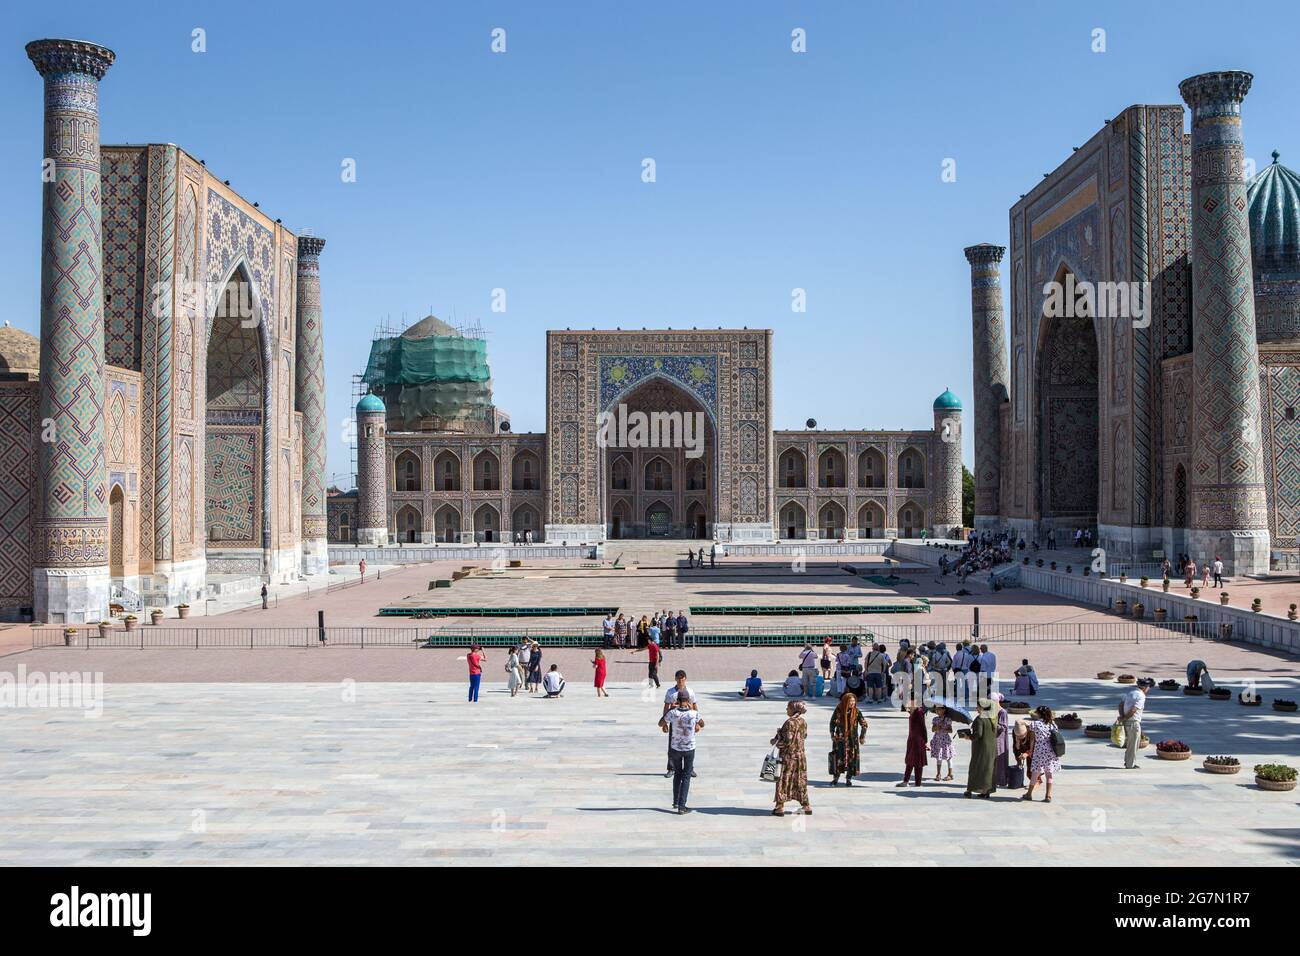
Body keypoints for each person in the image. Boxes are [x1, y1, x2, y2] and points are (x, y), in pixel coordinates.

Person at [660, 692, 704, 813]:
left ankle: (675, 801)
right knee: (686, 776)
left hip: (675, 748)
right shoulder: (694, 713)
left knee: (678, 774)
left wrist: (672, 708)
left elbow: (661, 723)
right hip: (689, 748)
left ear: (678, 700)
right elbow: (702, 723)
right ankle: (682, 806)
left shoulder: (673, 713)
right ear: (688, 700)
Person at [771, 701, 812, 816]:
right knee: (800, 780)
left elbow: (787, 741)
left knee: (783, 780)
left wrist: (777, 741)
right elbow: (804, 736)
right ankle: (806, 806)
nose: (786, 710)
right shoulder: (803, 721)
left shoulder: (789, 722)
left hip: (788, 757)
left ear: (793, 709)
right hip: (800, 756)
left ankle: (779, 807)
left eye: (788, 708)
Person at [663, 671, 698, 778]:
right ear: (675, 679)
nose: (680, 681)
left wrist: (697, 723)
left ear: (685, 679)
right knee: (672, 746)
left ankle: (689, 768)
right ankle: (671, 768)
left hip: (688, 723)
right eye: (678, 678)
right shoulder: (670, 692)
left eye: (682, 678)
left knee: (689, 746)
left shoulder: (690, 692)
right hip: (675, 723)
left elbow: (695, 707)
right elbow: (666, 707)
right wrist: (665, 723)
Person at [1022, 705, 1061, 803]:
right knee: (1049, 773)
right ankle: (1048, 795)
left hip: (1039, 750)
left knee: (1035, 772)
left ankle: (1029, 794)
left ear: (1039, 714)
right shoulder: (1053, 724)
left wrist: (1030, 749)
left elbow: (1032, 738)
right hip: (1051, 751)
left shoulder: (1035, 724)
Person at [829, 692, 868, 786]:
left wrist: (862, 736)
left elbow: (864, 724)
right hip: (840, 739)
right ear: (845, 701)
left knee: (851, 758)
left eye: (854, 701)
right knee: (838, 758)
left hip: (852, 740)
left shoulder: (857, 712)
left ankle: (848, 778)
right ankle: (836, 778)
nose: (852, 703)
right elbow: (832, 723)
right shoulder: (839, 710)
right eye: (850, 701)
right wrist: (832, 734)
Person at [965, 698, 997, 798]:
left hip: (981, 748)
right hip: (991, 748)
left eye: (978, 706)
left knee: (975, 768)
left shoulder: (980, 719)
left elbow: (978, 734)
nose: (976, 708)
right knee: (988, 769)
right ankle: (986, 791)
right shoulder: (992, 718)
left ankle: (970, 790)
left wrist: (969, 737)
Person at [1118, 678, 1152, 769]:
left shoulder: (1130, 693)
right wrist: (1125, 717)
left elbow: (1121, 705)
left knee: (1130, 743)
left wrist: (1122, 717)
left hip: (1127, 722)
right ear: (1145, 687)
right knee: (1133, 744)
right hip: (1133, 722)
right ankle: (1130, 764)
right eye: (1149, 687)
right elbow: (1134, 709)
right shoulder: (1141, 696)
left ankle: (1128, 761)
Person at [898, 699, 929, 787]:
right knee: (910, 760)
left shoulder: (919, 712)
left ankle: (917, 783)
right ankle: (905, 781)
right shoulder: (912, 711)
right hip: (912, 739)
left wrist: (925, 741)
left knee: (917, 762)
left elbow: (923, 727)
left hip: (918, 740)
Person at [992, 693, 1012, 789]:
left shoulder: (1002, 712)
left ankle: (1001, 779)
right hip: (993, 738)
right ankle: (993, 779)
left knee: (1000, 759)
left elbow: (1003, 727)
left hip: (1000, 739)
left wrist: (991, 722)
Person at [930, 704, 955, 781]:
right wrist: (937, 727)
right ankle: (938, 773)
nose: (937, 711)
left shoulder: (948, 719)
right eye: (936, 709)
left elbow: (951, 730)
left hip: (945, 740)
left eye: (939, 709)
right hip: (937, 739)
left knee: (948, 757)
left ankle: (950, 774)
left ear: (944, 710)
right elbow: (933, 729)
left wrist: (945, 728)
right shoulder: (935, 719)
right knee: (939, 757)